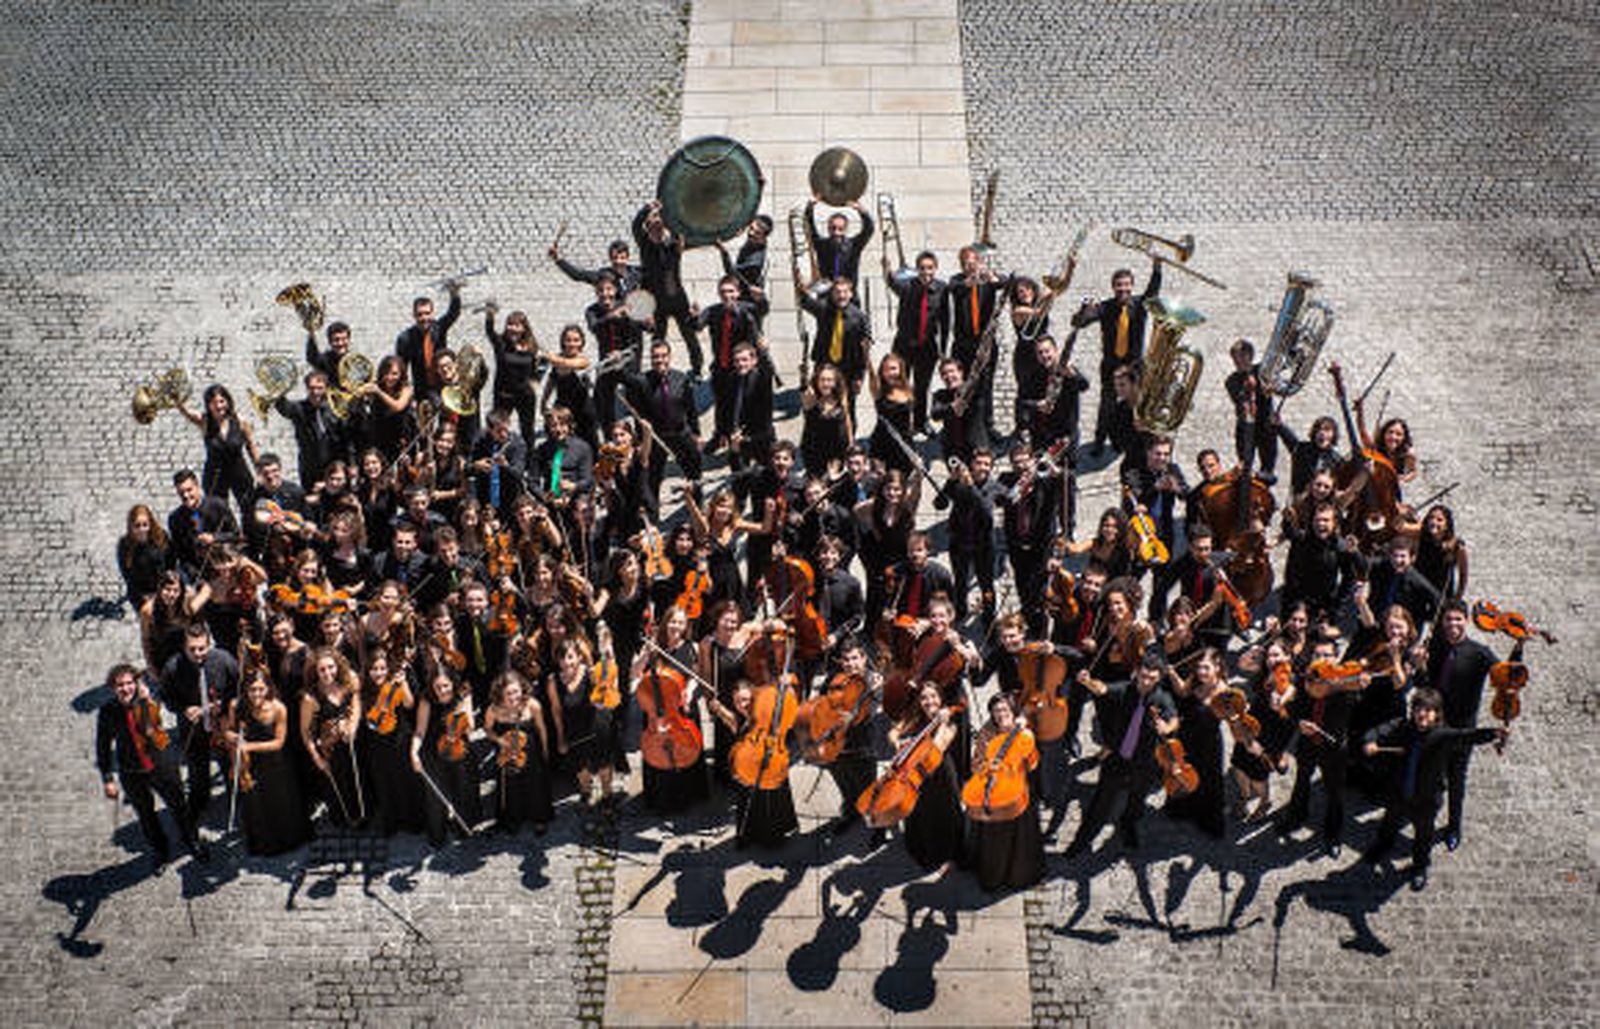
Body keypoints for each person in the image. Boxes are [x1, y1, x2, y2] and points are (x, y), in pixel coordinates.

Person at [1360, 687, 1506, 891]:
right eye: (1418, 709)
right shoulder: (1403, 726)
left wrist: (1493, 733)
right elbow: (1377, 731)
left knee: (1423, 836)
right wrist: (1369, 741)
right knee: (1389, 822)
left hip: (1426, 800)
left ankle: (1419, 867)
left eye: (1428, 710)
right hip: (1398, 792)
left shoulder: (1442, 736)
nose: (1422, 714)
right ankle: (1383, 846)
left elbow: (1467, 736)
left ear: (1437, 714)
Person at [1064, 648, 1178, 859]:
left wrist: (1166, 728)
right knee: (1100, 804)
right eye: (1143, 676)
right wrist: (1087, 682)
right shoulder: (1125, 689)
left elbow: (1173, 719)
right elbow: (1101, 689)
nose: (1145, 682)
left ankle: (1127, 829)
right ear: (1137, 672)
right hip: (1118, 757)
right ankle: (1081, 841)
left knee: (1136, 803)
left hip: (1144, 762)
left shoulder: (1162, 699)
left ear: (1160, 678)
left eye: (1151, 678)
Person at [97, 663, 208, 864]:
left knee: (179, 806)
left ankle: (192, 841)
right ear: (113, 688)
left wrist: (147, 697)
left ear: (136, 684)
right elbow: (102, 746)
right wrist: (107, 778)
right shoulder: (108, 711)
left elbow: (160, 706)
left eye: (129, 683)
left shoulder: (149, 700)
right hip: (131, 771)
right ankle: (160, 850)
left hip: (161, 765)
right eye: (120, 685)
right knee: (146, 815)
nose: (126, 689)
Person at [1422, 600, 1498, 850]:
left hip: (1463, 728)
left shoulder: (1480, 653)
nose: (1453, 624)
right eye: (1448, 619)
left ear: (1466, 621)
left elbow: (1504, 674)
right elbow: (1425, 682)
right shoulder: (1435, 646)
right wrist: (1418, 663)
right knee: (1432, 775)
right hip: (1436, 724)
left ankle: (1454, 826)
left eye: (1458, 619)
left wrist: (1518, 647)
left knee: (1457, 780)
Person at [1072, 257, 1162, 453]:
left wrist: (1157, 268)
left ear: (1132, 286)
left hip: (1134, 366)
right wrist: (1084, 310)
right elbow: (1078, 323)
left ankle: (1139, 440)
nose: (1123, 289)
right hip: (1111, 366)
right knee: (1107, 405)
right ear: (1113, 287)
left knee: (1138, 404)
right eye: (1119, 285)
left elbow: (1153, 291)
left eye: (1126, 285)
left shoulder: (1140, 304)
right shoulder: (1105, 307)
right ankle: (1099, 441)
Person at [160, 622, 239, 822]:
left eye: (202, 648)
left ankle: (235, 798)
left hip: (221, 726)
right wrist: (184, 709)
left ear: (209, 644)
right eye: (192, 649)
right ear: (184, 647)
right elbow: (167, 697)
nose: (197, 654)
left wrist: (225, 704)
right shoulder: (172, 668)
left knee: (228, 764)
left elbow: (238, 688)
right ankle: (200, 803)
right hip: (193, 729)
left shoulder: (224, 660)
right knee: (197, 768)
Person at [224, 671, 309, 856]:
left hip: (275, 763)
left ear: (268, 688)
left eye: (261, 689)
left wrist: (248, 746)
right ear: (245, 690)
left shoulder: (279, 708)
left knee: (279, 801)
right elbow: (229, 730)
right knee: (256, 804)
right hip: (249, 764)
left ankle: (286, 842)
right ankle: (264, 844)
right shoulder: (235, 705)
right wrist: (231, 736)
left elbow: (278, 743)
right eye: (252, 690)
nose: (256, 694)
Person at [968, 693, 1044, 891]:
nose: (1001, 714)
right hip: (993, 791)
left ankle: (1017, 876)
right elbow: (975, 765)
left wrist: (1023, 737)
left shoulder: (1024, 732)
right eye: (996, 710)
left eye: (1005, 709)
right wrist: (986, 766)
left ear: (1013, 711)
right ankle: (994, 875)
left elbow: (1033, 765)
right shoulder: (986, 732)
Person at [891, 682, 965, 873]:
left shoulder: (949, 722)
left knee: (945, 814)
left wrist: (940, 723)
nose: (929, 701)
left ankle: (949, 854)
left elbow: (937, 747)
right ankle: (926, 850)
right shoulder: (915, 717)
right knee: (921, 811)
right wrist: (898, 742)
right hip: (916, 774)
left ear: (940, 699)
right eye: (924, 697)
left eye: (933, 696)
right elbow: (893, 732)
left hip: (940, 775)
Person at [624, 339, 703, 510]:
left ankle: (697, 507)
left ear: (669, 357)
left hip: (681, 433)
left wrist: (696, 434)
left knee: (694, 471)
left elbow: (691, 409)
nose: (660, 360)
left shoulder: (681, 379)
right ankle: (653, 512)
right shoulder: (641, 382)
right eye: (655, 357)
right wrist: (640, 441)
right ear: (651, 359)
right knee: (653, 478)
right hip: (656, 438)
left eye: (663, 356)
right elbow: (638, 416)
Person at [633, 201, 704, 375]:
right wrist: (648, 208)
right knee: (658, 339)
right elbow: (635, 225)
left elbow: (689, 230)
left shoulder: (674, 242)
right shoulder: (644, 243)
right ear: (648, 225)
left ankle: (697, 369)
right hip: (657, 302)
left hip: (678, 300)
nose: (657, 221)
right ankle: (657, 371)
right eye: (653, 219)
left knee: (690, 337)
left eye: (660, 219)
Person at [411, 665, 478, 846]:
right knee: (435, 796)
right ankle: (437, 833)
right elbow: (419, 732)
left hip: (459, 748)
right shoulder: (427, 700)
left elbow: (471, 728)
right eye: (437, 687)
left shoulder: (463, 695)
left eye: (446, 686)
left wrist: (463, 714)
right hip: (433, 751)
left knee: (463, 790)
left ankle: (464, 826)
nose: (442, 691)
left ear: (453, 683)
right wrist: (414, 753)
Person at [884, 249, 949, 432]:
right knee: (900, 384)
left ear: (935, 268)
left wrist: (943, 349)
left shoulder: (942, 289)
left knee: (922, 387)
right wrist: (887, 270)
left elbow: (945, 321)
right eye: (922, 268)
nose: (926, 272)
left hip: (927, 347)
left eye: (930, 268)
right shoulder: (907, 286)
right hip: (904, 345)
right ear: (917, 269)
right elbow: (892, 282)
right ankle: (901, 422)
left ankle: (920, 423)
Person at [299, 646, 365, 826]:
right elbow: (305, 732)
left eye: (331, 667)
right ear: (315, 671)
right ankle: (345, 822)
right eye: (322, 669)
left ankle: (365, 817)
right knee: (340, 787)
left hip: (352, 740)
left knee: (359, 780)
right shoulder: (310, 698)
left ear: (338, 666)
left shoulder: (348, 680)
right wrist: (317, 759)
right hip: (331, 748)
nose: (327, 673)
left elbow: (356, 702)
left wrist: (352, 726)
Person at [548, 636, 615, 809]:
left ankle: (607, 794)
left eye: (570, 657)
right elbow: (556, 711)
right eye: (562, 658)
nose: (566, 662)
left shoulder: (590, 673)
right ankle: (586, 791)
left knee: (603, 763)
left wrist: (603, 655)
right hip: (574, 729)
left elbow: (605, 690)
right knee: (580, 767)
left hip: (596, 726)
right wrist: (560, 738)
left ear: (579, 657)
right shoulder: (553, 681)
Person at [359, 651, 421, 836]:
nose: (378, 673)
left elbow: (409, 704)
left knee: (405, 780)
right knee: (384, 782)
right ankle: (391, 821)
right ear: (368, 671)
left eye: (382, 668)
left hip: (399, 738)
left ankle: (412, 821)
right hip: (377, 742)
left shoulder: (395, 684)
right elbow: (365, 717)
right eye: (374, 669)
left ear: (388, 669)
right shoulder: (364, 691)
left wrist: (403, 683)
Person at [176, 383, 260, 518]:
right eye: (214, 403)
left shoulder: (240, 421)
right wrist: (178, 402)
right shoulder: (204, 421)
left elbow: (251, 446)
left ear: (228, 401)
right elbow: (187, 413)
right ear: (208, 405)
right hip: (215, 474)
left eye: (222, 401)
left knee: (249, 508)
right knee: (218, 512)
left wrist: (259, 470)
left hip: (239, 471)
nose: (219, 406)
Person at [484, 670, 553, 832]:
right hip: (507, 753)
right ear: (500, 693)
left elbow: (542, 729)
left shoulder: (533, 705)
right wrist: (499, 740)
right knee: (510, 786)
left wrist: (545, 751)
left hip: (531, 752)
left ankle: (539, 818)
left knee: (536, 785)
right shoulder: (493, 709)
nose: (513, 697)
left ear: (522, 689)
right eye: (508, 693)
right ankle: (513, 818)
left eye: (516, 691)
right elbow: (487, 729)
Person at [798, 277, 871, 423]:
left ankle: (848, 436)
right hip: (824, 366)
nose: (841, 296)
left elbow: (863, 352)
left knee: (847, 409)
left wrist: (859, 376)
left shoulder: (860, 317)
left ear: (851, 294)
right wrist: (801, 286)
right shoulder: (823, 309)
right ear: (832, 294)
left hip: (847, 370)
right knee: (819, 406)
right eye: (837, 292)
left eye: (845, 292)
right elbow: (805, 301)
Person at [274, 369, 347, 491]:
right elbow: (283, 407)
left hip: (334, 465)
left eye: (319, 388)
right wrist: (278, 388)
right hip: (309, 467)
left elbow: (346, 437)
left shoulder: (335, 409)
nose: (315, 392)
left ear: (326, 389)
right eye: (311, 388)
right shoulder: (299, 408)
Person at [484, 304, 543, 446]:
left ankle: (529, 457)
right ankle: (494, 453)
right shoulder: (501, 343)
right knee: (497, 427)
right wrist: (490, 315)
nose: (513, 328)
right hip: (504, 394)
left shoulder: (531, 346)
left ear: (524, 328)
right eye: (510, 324)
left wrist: (536, 381)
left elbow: (542, 364)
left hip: (525, 395)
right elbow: (490, 331)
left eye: (517, 325)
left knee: (527, 429)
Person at [395, 287, 461, 399]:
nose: (424, 318)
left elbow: (453, 313)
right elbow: (401, 369)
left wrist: (454, 294)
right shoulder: (405, 339)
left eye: (427, 313)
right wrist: (406, 395)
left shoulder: (439, 328)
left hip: (444, 386)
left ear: (432, 314)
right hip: (421, 390)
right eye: (420, 314)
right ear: (414, 315)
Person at [804, 197, 874, 296]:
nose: (836, 232)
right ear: (828, 229)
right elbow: (809, 227)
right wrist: (810, 207)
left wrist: (861, 211)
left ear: (846, 229)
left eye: (840, 229)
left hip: (848, 295)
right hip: (827, 295)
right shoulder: (821, 245)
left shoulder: (854, 245)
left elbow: (868, 229)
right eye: (833, 228)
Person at [799, 362, 852, 477]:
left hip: (837, 453)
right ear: (817, 382)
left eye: (829, 380)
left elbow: (847, 419)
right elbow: (804, 393)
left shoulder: (840, 397)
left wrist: (851, 444)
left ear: (835, 382)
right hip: (815, 455)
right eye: (822, 380)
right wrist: (803, 376)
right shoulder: (812, 400)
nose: (826, 384)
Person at [118, 504, 171, 609]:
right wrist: (143, 597)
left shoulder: (161, 537)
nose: (142, 529)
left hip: (162, 587)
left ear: (150, 524)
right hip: (141, 592)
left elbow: (171, 561)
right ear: (131, 526)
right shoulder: (125, 545)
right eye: (137, 526)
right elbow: (127, 575)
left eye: (145, 525)